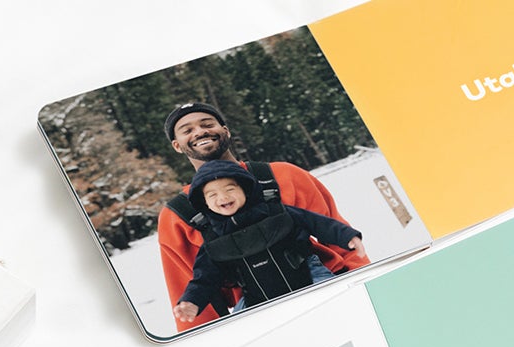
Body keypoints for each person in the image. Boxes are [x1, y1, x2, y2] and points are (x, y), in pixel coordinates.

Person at [158, 102, 368, 332]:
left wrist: (367, 287)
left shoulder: (285, 176)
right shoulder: (178, 216)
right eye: (188, 130)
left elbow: (335, 236)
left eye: (207, 124)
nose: (199, 132)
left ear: (226, 131)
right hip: (261, 319)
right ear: (177, 146)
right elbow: (190, 288)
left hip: (326, 292)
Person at [172, 160, 367, 323]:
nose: (222, 197)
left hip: (308, 276)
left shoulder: (275, 211)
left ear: (245, 190)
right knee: (240, 330)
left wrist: (347, 236)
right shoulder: (213, 239)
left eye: (229, 189)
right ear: (204, 202)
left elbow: (317, 223)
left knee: (343, 304)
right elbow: (205, 278)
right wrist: (191, 301)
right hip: (257, 298)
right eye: (212, 195)